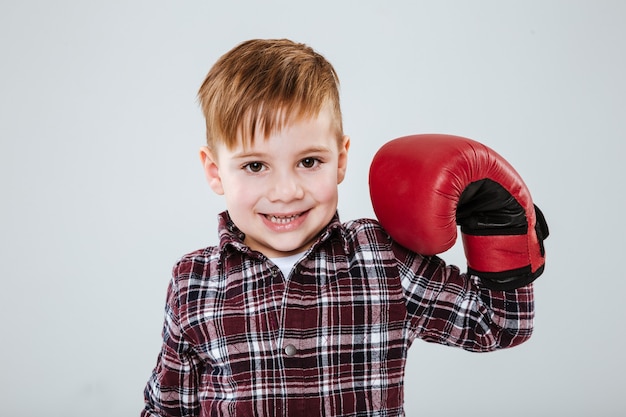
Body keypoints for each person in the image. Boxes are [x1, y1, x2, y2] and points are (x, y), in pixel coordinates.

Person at [141, 38, 547, 417]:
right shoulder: (192, 282)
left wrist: (499, 226)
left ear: (340, 159)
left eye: (308, 161)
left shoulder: (381, 258)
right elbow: (167, 408)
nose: (285, 192)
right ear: (215, 172)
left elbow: (498, 326)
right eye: (255, 166)